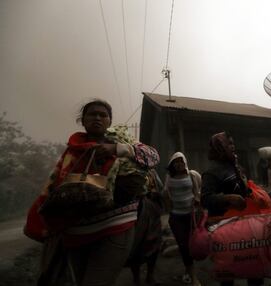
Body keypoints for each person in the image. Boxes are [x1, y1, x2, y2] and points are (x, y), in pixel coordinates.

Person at [37, 99, 155, 286]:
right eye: (92, 114)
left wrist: (116, 149)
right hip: (75, 230)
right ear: (82, 121)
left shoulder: (121, 142)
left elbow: (152, 156)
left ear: (109, 121)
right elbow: (53, 185)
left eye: (103, 115)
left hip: (114, 225)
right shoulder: (72, 150)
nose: (98, 118)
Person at [201, 132, 264, 286]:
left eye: (233, 143)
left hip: (245, 224)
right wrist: (228, 198)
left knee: (253, 266)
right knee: (228, 271)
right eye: (229, 144)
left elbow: (244, 188)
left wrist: (254, 193)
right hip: (225, 228)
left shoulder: (236, 166)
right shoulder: (211, 172)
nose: (233, 147)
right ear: (219, 147)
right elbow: (205, 199)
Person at [163, 152, 202, 286]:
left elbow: (199, 191)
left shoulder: (192, 174)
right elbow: (166, 194)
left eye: (181, 161)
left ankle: (188, 271)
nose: (179, 164)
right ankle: (194, 277)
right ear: (172, 164)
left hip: (191, 216)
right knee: (184, 246)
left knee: (192, 245)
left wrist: (197, 200)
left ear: (185, 162)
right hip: (176, 217)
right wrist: (169, 210)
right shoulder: (169, 177)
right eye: (176, 162)